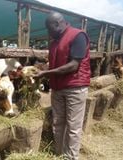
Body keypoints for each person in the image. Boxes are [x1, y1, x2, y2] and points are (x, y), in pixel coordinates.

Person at [34, 12, 90, 160]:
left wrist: (46, 73)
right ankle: (59, 154)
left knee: (73, 126)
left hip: (74, 87)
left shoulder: (78, 35)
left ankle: (70, 157)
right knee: (58, 122)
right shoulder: (54, 42)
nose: (48, 32)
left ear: (58, 23)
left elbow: (74, 65)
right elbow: (54, 63)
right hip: (57, 88)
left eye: (49, 28)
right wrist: (43, 69)